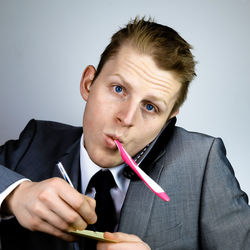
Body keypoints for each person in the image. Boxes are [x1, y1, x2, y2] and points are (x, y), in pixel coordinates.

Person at [0, 16, 250, 250]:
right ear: (89, 83)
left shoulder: (201, 163)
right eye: (118, 89)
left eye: (150, 107)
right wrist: (14, 194)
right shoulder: (36, 140)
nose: (126, 118)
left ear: (167, 120)